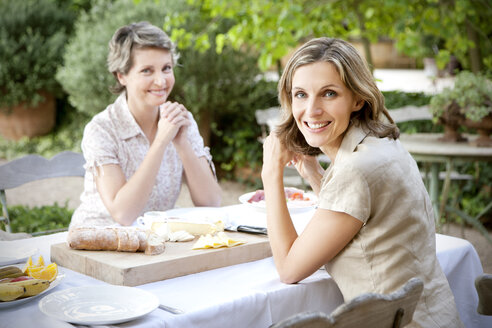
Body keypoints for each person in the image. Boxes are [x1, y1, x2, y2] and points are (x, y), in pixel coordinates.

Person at [261, 37, 463, 327]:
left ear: (358, 98)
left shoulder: (355, 169)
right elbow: (360, 218)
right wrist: (314, 173)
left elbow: (289, 269)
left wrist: (271, 174)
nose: (312, 109)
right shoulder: (383, 144)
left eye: (329, 93)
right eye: (301, 94)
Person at [70, 21, 221, 228]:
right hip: (99, 242)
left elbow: (211, 203)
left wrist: (182, 144)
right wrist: (160, 141)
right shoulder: (101, 129)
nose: (161, 81)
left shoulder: (181, 121)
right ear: (121, 75)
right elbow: (123, 214)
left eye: (166, 68)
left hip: (156, 242)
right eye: (147, 71)